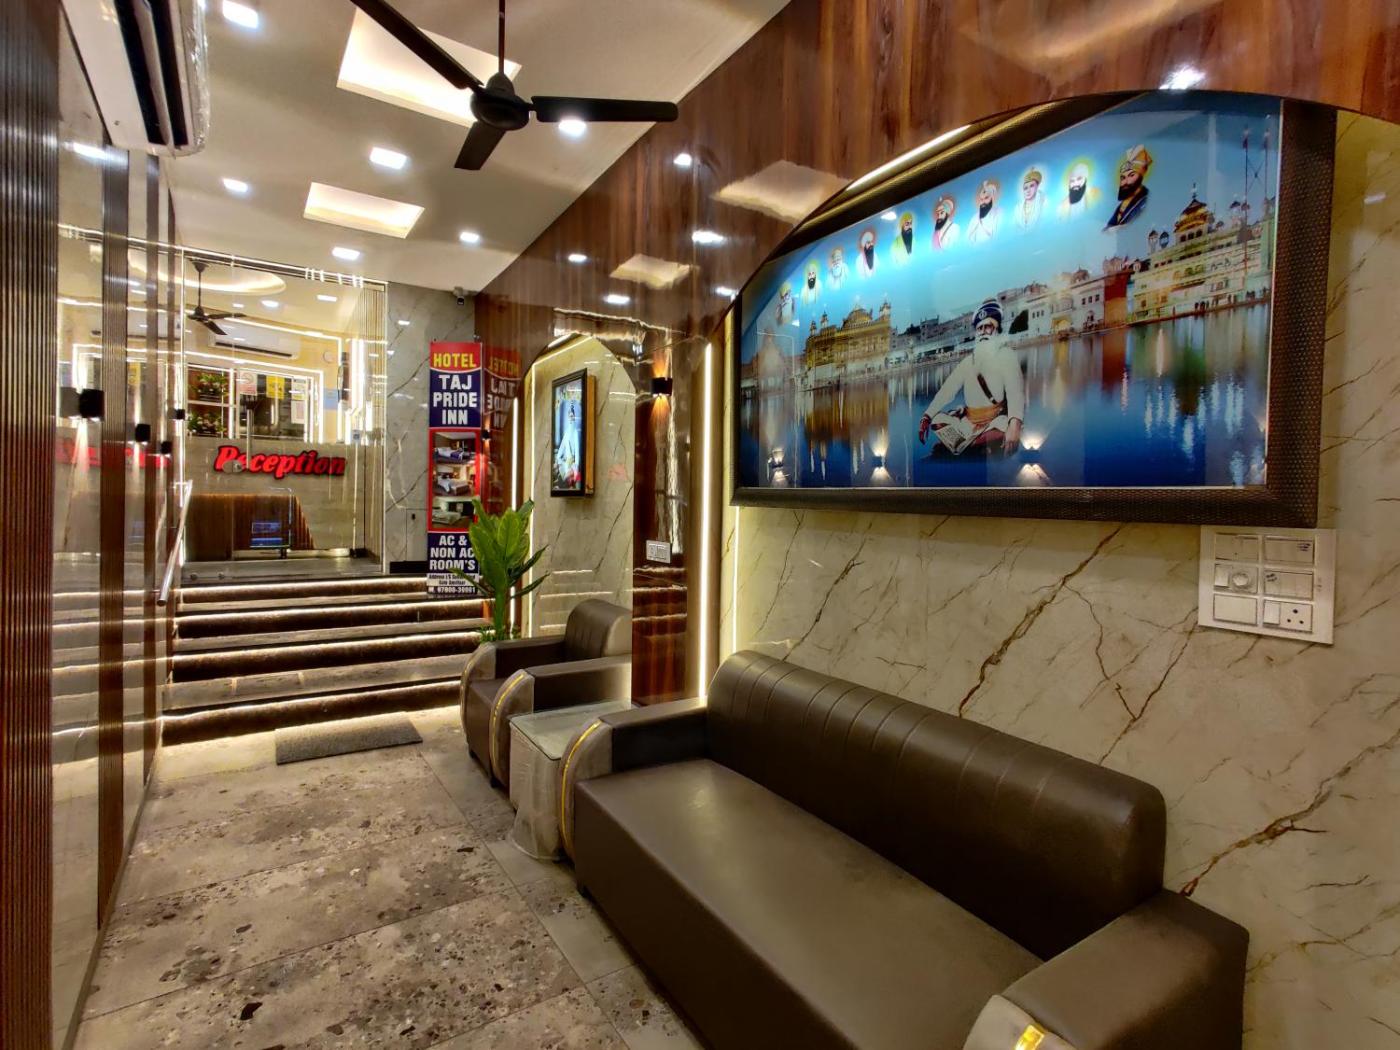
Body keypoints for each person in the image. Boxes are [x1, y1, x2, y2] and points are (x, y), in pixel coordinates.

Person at [917, 299, 1025, 455]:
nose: (983, 332)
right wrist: (926, 416)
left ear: (997, 330)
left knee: (1004, 427)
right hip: (968, 422)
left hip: (994, 421)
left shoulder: (1006, 355)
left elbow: (1015, 392)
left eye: (988, 327)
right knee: (938, 420)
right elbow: (947, 390)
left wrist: (1014, 424)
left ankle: (965, 444)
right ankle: (972, 443)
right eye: (980, 328)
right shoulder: (967, 362)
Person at [1105, 144, 1152, 229]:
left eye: (1131, 175)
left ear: (1140, 177)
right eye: (1123, 178)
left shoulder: (1145, 201)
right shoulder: (1120, 206)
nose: (1126, 182)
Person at [966, 179, 1000, 244]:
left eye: (986, 198)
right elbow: (968, 239)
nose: (983, 202)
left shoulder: (998, 213)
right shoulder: (974, 218)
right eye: (981, 199)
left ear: (992, 198)